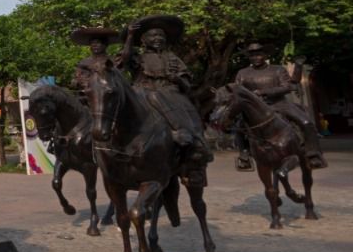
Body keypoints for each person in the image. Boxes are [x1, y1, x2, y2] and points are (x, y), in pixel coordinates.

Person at [116, 14, 212, 170]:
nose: (158, 38)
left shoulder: (173, 58)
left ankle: (192, 140)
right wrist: (130, 36)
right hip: (141, 93)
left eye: (161, 35)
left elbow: (187, 84)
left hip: (170, 94)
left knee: (186, 109)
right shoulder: (138, 57)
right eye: (153, 35)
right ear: (143, 40)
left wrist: (177, 79)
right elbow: (124, 59)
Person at [233, 42, 326, 169]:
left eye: (258, 54)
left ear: (265, 55)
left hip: (279, 103)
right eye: (252, 55)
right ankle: (244, 155)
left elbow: (287, 87)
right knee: (239, 126)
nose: (255, 58)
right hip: (255, 108)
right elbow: (237, 90)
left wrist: (263, 92)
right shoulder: (242, 73)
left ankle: (313, 154)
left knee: (306, 122)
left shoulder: (278, 70)